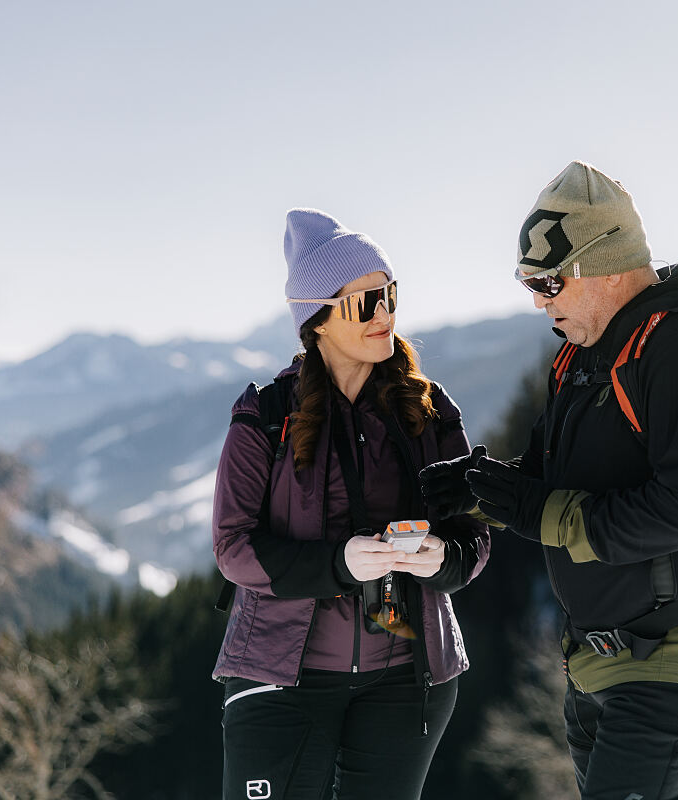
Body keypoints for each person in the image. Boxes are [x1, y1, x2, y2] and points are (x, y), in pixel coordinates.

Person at [420, 162, 678, 800]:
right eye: (528, 281)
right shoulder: (582, 355)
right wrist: (481, 490)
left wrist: (535, 511)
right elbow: (549, 482)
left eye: (548, 280)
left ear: (602, 263)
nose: (538, 300)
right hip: (598, 659)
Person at [212, 208, 490, 800]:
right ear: (317, 318)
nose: (385, 314)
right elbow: (233, 550)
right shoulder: (264, 416)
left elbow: (473, 536)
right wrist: (339, 564)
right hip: (280, 681)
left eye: (389, 294)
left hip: (406, 680)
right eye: (366, 302)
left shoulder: (430, 412)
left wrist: (442, 556)